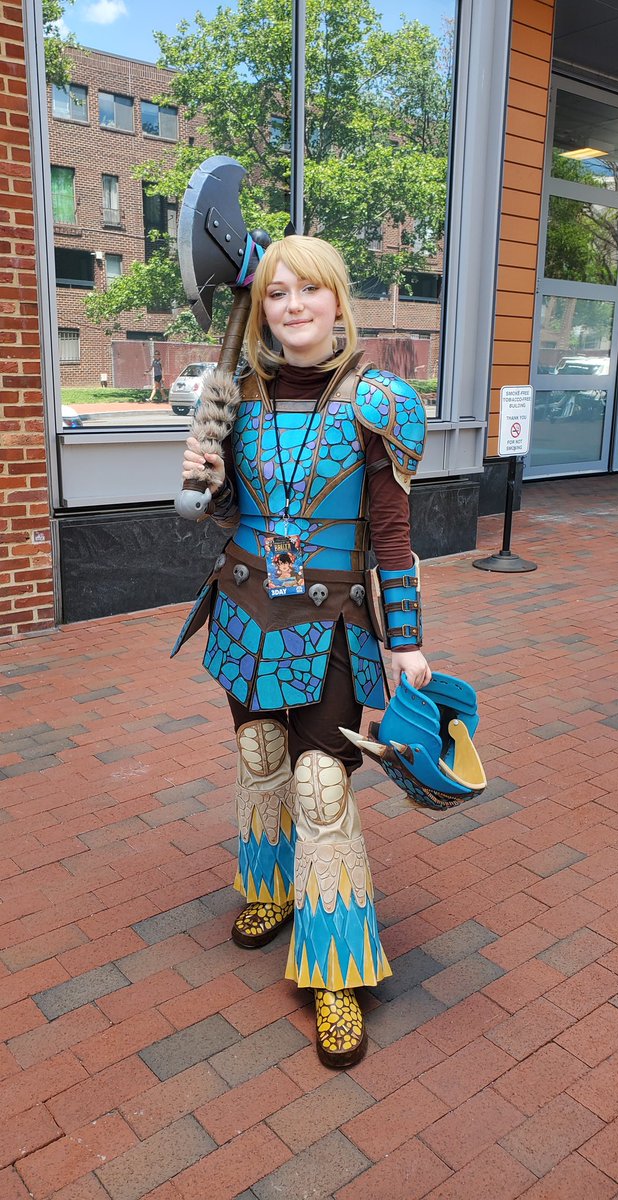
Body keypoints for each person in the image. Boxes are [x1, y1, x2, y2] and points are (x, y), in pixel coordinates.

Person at [176, 235, 430, 1067]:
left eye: (308, 290)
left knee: (321, 786)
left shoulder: (379, 401)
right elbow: (226, 512)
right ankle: (271, 887)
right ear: (262, 307)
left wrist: (407, 643)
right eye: (277, 293)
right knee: (258, 757)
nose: (292, 306)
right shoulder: (235, 397)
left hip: (330, 622)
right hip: (244, 609)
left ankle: (337, 971)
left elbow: (390, 534)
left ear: (336, 300)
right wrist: (209, 479)